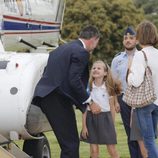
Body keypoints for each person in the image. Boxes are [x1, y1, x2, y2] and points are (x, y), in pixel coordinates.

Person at [32, 25, 101, 158]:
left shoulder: (61, 49)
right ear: (93, 39)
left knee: (69, 143)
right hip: (57, 98)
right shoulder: (81, 52)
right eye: (97, 42)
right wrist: (89, 101)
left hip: (46, 97)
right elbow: (73, 80)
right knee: (71, 144)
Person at [111, 26, 146, 158]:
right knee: (130, 133)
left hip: (141, 100)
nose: (128, 40)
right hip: (124, 99)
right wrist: (115, 102)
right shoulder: (117, 59)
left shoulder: (143, 57)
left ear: (136, 41)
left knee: (141, 133)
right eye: (125, 38)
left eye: (131, 38)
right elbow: (113, 83)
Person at [127, 20, 158, 158]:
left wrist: (129, 75)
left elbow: (136, 81)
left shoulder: (140, 55)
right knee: (153, 140)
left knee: (148, 141)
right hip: (157, 102)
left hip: (145, 103)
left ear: (139, 36)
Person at [80, 60, 120, 158]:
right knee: (94, 151)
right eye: (94, 68)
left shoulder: (109, 88)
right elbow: (84, 109)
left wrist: (112, 125)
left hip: (106, 119)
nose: (95, 70)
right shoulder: (88, 88)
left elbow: (111, 108)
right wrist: (84, 126)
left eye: (99, 68)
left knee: (112, 149)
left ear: (105, 73)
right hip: (91, 119)